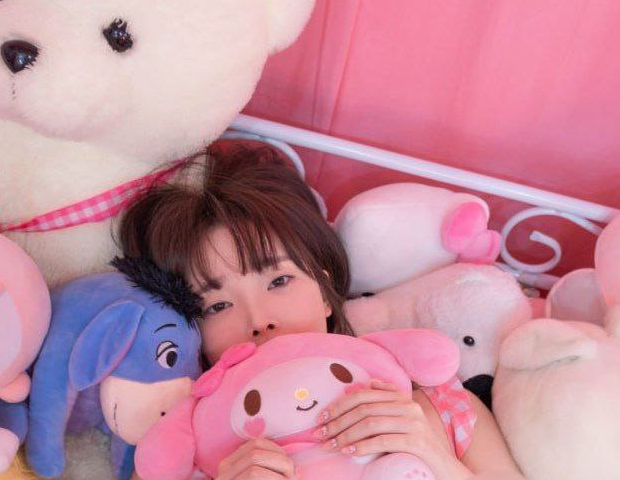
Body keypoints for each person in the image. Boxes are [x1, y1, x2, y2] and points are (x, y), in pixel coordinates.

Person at [119, 146, 522, 480]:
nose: (259, 320)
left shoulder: (440, 403)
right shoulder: (181, 448)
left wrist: (432, 454)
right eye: (217, 306)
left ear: (325, 292)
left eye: (279, 280)